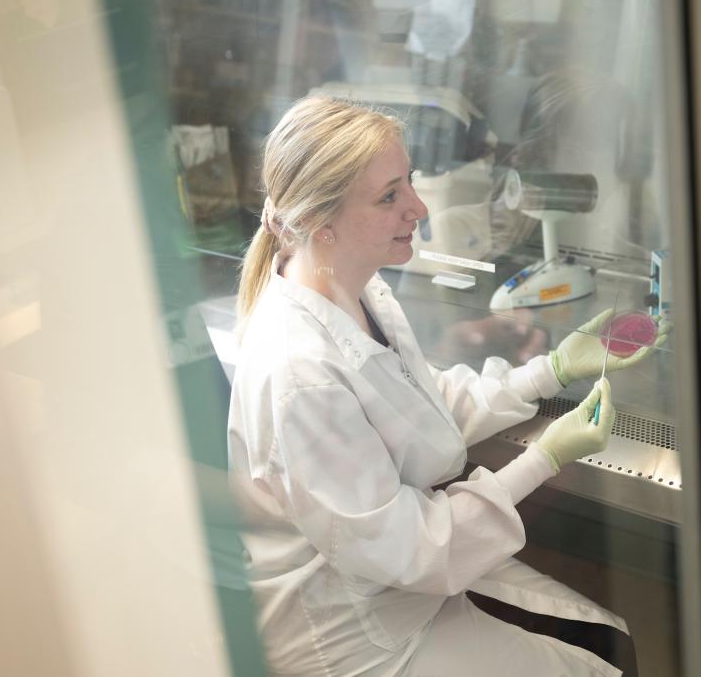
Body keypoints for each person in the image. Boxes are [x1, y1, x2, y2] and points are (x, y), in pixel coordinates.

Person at [227, 95, 653, 676]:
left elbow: (425, 404)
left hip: (402, 584)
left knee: (607, 640)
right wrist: (546, 457)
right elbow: (414, 548)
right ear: (320, 223)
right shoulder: (300, 376)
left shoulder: (356, 292)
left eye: (409, 182)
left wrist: (550, 370)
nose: (419, 207)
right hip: (359, 633)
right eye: (389, 196)